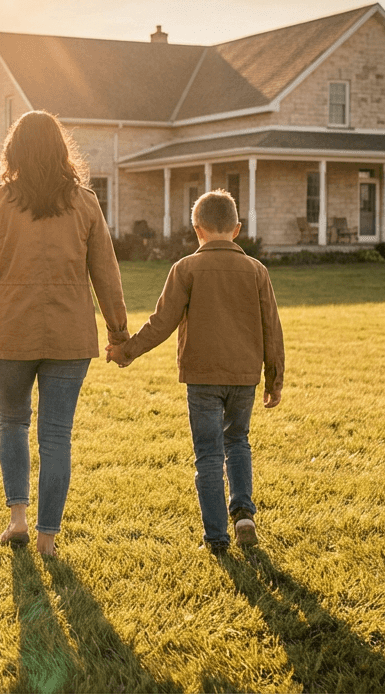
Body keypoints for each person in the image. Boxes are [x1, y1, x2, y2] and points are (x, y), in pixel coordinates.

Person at [0, 111, 129, 558]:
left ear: (13, 151)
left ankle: (17, 518)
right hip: (70, 335)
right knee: (56, 435)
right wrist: (118, 332)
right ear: (61, 151)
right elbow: (107, 276)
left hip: (10, 331)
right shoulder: (86, 202)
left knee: (12, 423)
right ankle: (47, 538)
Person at [107, 189, 285, 553]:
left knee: (208, 453)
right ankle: (244, 513)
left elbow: (162, 322)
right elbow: (272, 327)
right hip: (243, 377)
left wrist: (128, 350)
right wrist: (274, 379)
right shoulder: (256, 271)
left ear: (196, 229)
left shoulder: (185, 268)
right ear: (236, 229)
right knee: (238, 441)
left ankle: (216, 537)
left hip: (202, 376)